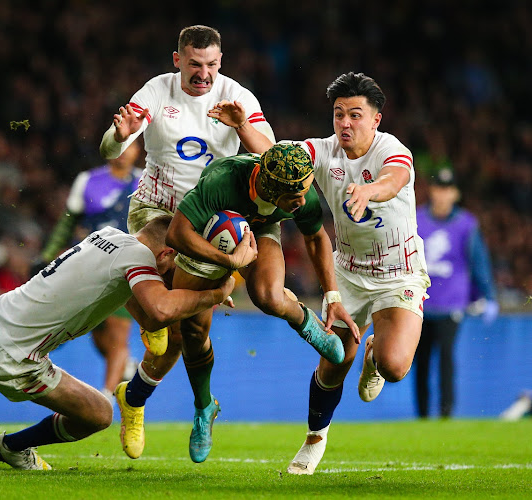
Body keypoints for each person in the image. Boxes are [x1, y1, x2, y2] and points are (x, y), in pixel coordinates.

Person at [0, 216, 244, 469]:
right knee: (99, 414)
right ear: (166, 253)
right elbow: (160, 311)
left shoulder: (109, 236)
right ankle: (13, 446)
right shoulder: (139, 259)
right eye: (175, 265)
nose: (171, 273)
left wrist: (182, 307)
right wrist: (214, 293)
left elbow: (147, 314)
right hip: (16, 356)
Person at [98, 24, 275, 461]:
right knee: (153, 263)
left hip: (210, 223)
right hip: (157, 208)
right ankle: (149, 323)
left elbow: (270, 156)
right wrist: (120, 136)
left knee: (190, 331)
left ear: (221, 62)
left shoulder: (237, 96)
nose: (204, 74)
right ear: (177, 60)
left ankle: (164, 402)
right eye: (195, 64)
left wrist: (242, 127)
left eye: (212, 64)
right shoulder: (157, 92)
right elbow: (108, 150)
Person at [151, 143, 359, 463]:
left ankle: (304, 322)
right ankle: (204, 407)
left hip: (259, 229)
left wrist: (332, 296)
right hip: (208, 235)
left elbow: (316, 237)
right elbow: (177, 234)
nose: (303, 201)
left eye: (305, 190)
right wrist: (229, 261)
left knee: (268, 296)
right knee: (192, 330)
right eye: (295, 197)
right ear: (272, 191)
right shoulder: (223, 181)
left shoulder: (299, 190)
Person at [272, 72, 432, 475]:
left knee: (395, 368)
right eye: (339, 114)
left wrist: (368, 190)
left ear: (376, 119)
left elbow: (394, 180)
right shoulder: (323, 151)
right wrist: (246, 130)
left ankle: (375, 354)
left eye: (355, 115)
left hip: (400, 272)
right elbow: (282, 157)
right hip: (348, 271)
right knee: (334, 362)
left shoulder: (391, 149)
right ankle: (314, 439)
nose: (345, 123)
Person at [33, 142, 143, 399]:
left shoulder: (145, 183)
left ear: (138, 152)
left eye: (131, 146)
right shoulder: (87, 180)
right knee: (98, 333)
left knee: (117, 334)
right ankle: (125, 366)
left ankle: (106, 398)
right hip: (88, 265)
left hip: (125, 266)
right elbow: (67, 222)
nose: (125, 151)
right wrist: (48, 255)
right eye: (120, 145)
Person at [415, 167, 498, 418]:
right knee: (421, 363)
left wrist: (488, 296)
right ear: (432, 191)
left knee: (446, 360)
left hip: (451, 303)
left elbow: (478, 260)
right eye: (438, 188)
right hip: (420, 303)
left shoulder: (466, 224)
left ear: (455, 194)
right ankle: (421, 416)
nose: (442, 195)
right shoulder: (417, 219)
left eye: (446, 190)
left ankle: (445, 415)